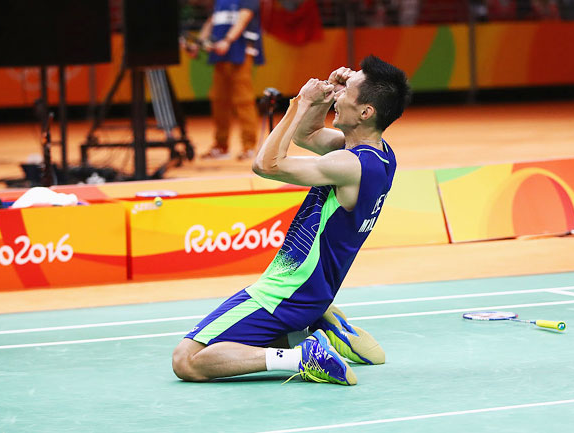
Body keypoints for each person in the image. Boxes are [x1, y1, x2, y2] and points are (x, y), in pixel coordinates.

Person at [172, 55, 411, 385]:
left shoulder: (347, 165)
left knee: (187, 361)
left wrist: (300, 103)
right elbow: (307, 134)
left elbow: (266, 164)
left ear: (366, 112)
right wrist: (323, 102)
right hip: (313, 291)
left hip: (287, 290)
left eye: (347, 93)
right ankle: (323, 327)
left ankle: (303, 355)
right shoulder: (378, 154)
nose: (338, 95)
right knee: (246, 345)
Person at [189, 0, 265, 160]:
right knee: (219, 100)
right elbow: (212, 21)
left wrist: (228, 40)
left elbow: (243, 19)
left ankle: (249, 146)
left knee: (243, 100)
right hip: (221, 55)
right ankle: (221, 146)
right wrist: (198, 43)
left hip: (241, 52)